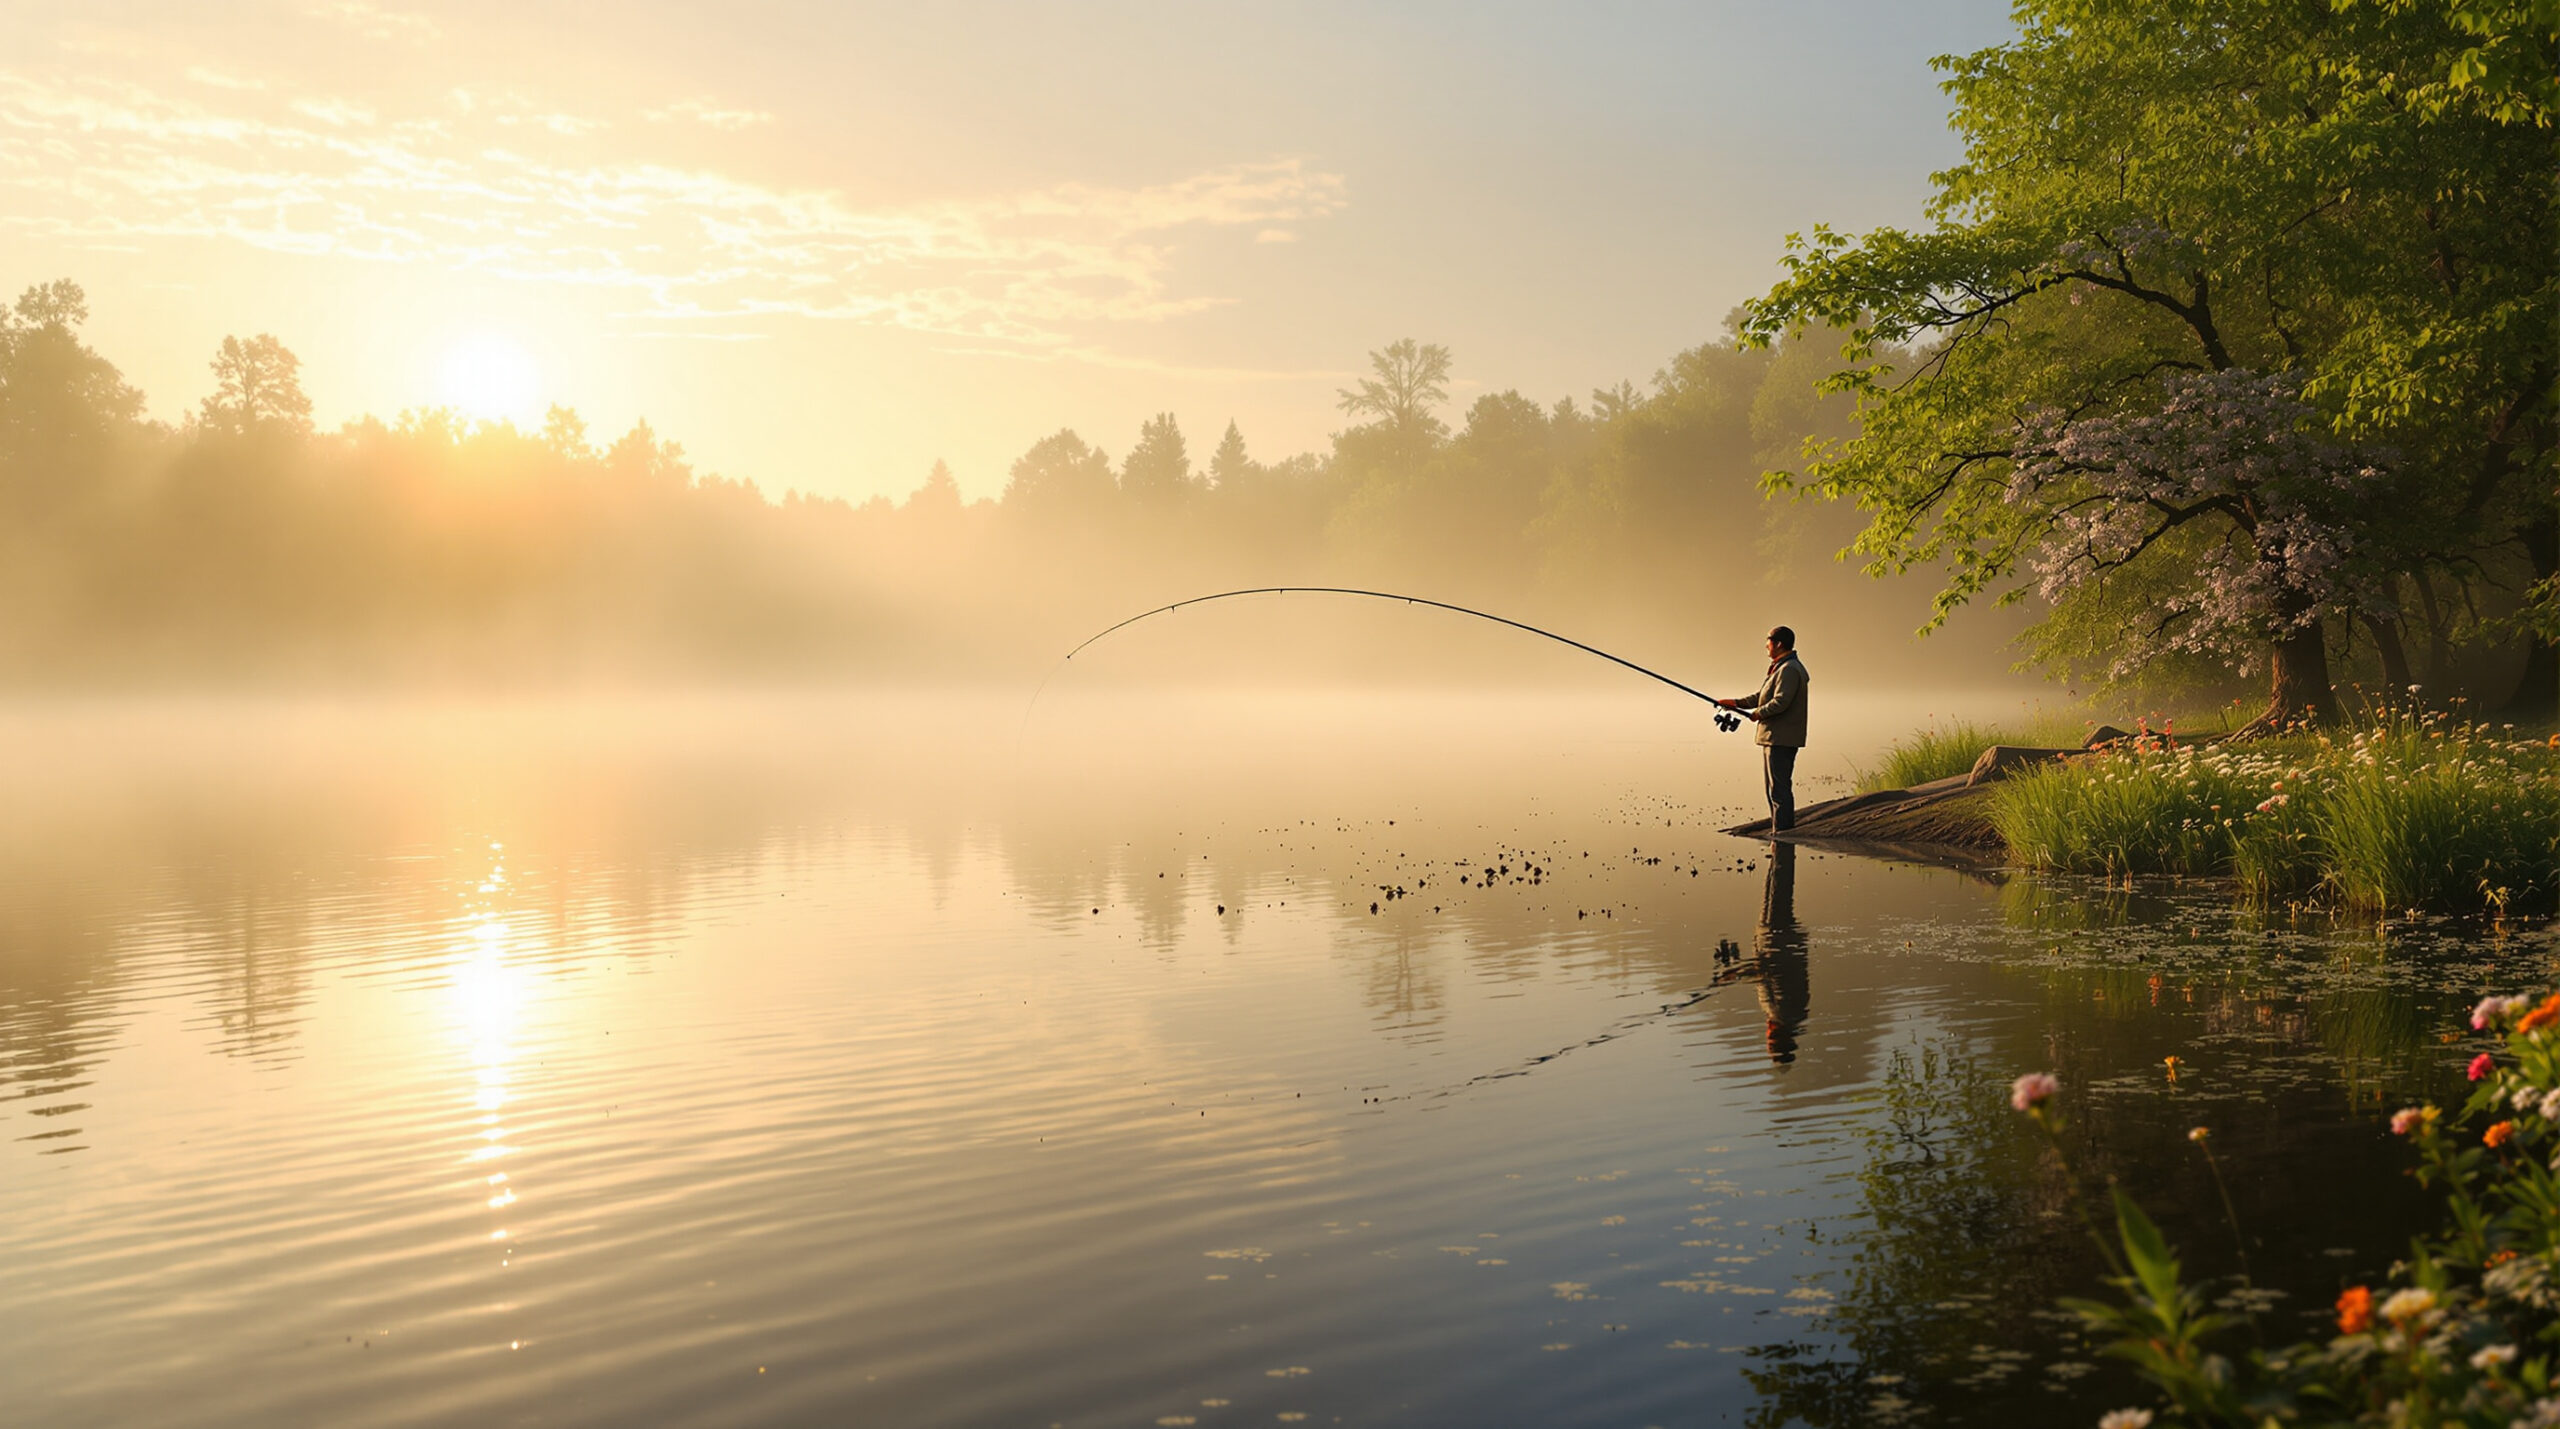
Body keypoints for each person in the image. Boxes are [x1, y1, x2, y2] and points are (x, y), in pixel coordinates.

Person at [1717, 626, 1809, 831]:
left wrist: (1758, 714)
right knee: (1773, 790)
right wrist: (1735, 703)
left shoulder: (1790, 669)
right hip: (1773, 737)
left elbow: (1780, 702)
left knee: (1779, 791)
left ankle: (1783, 833)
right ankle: (1780, 830)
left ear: (1778, 644)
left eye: (1768, 641)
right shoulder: (1782, 667)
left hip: (1781, 739)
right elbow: (1762, 696)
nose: (1765, 646)